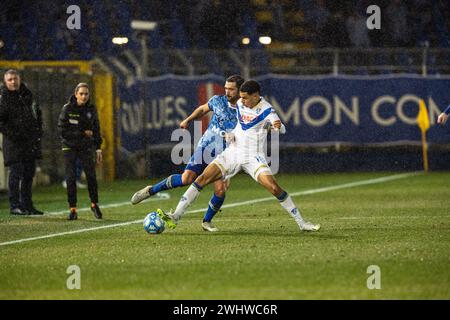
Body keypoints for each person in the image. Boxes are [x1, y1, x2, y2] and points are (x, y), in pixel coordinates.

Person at [157, 80, 320, 232]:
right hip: (232, 152)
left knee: (274, 188)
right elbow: (239, 126)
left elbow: (280, 128)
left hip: (253, 157)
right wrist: (230, 134)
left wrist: (276, 126)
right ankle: (176, 216)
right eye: (240, 97)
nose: (241, 101)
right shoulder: (241, 103)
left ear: (256, 96)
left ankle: (302, 223)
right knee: (201, 179)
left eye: (245, 97)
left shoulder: (267, 110)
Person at [131, 75, 245, 232]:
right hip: (206, 147)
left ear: (240, 90)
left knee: (220, 189)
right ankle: (151, 190)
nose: (227, 92)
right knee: (187, 178)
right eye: (226, 88)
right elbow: (202, 109)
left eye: (231, 89)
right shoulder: (218, 100)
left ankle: (206, 221)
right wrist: (188, 120)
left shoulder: (245, 111)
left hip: (224, 154)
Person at [0, 69, 44, 215]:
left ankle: (27, 205)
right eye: (10, 79)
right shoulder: (3, 98)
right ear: (5, 82)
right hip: (13, 143)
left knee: (28, 174)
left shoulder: (27, 94)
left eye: (15, 79)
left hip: (29, 142)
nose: (13, 82)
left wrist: (38, 129)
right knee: (16, 173)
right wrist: (14, 134)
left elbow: (36, 112)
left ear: (19, 79)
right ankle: (14, 206)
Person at [58, 83, 103, 220]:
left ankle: (94, 204)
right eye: (81, 93)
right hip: (69, 147)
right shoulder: (67, 108)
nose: (84, 96)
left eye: (86, 94)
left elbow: (96, 129)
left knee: (91, 177)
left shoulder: (91, 109)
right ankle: (73, 209)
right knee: (71, 178)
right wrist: (82, 132)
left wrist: (98, 148)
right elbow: (62, 130)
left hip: (85, 147)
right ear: (76, 94)